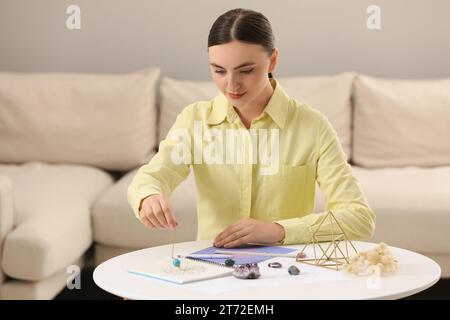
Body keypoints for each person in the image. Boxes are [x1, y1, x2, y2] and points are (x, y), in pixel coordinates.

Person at [127, 8, 375, 248]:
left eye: (246, 70)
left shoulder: (312, 127)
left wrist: (278, 230)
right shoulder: (195, 121)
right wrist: (149, 197)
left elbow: (359, 218)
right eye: (219, 71)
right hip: (213, 271)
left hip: (286, 271)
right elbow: (152, 177)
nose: (231, 84)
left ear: (272, 60)